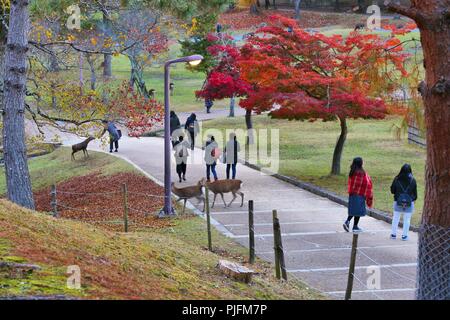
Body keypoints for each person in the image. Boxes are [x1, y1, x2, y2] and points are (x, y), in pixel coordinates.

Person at [343, 157, 374, 233]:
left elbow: (352, 183)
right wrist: (369, 195)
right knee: (358, 211)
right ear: (360, 163)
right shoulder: (361, 173)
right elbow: (367, 183)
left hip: (352, 194)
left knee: (354, 209)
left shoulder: (352, 171)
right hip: (360, 194)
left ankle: (348, 222)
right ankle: (355, 226)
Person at [390, 164, 418, 241]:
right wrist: (413, 199)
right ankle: (404, 236)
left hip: (397, 201)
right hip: (409, 203)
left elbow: (392, 191)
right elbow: (415, 194)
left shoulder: (396, 179)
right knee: (407, 219)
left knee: (395, 218)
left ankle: (393, 234)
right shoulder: (413, 180)